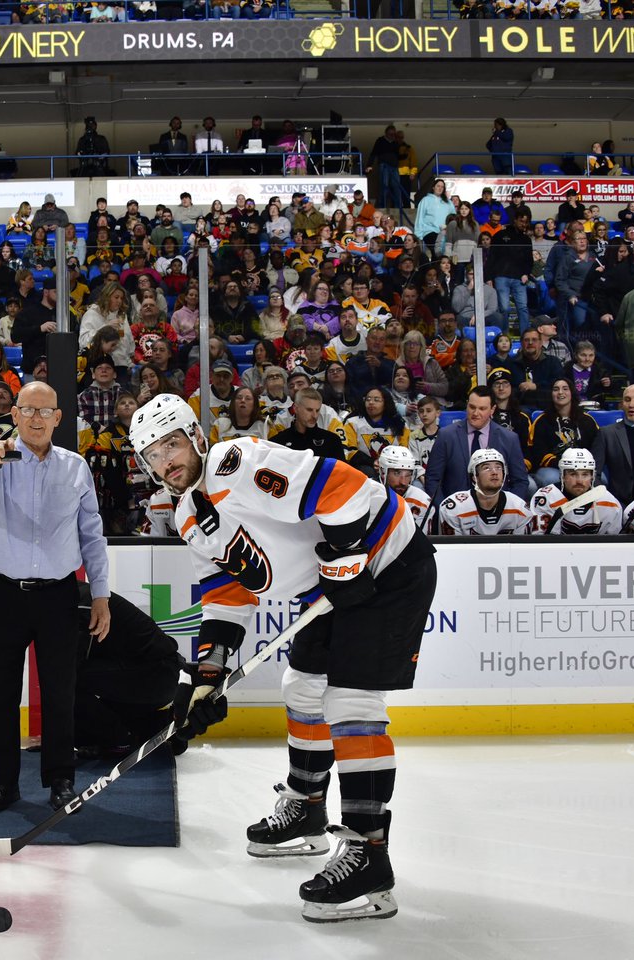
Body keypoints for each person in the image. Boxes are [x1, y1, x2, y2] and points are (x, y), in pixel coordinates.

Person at [127, 393, 436, 924]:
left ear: (196, 437)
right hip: (335, 585)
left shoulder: (238, 463)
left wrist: (346, 560)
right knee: (302, 687)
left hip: (390, 563)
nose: (167, 461)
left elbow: (343, 488)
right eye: (153, 455)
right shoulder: (185, 515)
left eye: (173, 444)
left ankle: (369, 854)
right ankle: (307, 809)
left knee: (350, 699)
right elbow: (228, 592)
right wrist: (208, 675)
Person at [0, 380, 111, 814]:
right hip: (3, 594)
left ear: (58, 418)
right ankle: (3, 783)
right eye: (27, 410)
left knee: (61, 691)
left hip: (59, 596)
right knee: (2, 693)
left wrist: (100, 594)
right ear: (14, 414)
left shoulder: (75, 467)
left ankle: (61, 780)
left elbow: (92, 534)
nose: (35, 419)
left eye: (45, 411)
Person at [72, 584, 184, 757]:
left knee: (66, 680)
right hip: (149, 675)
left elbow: (69, 673)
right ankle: (162, 724)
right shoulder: (77, 595)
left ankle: (119, 740)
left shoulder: (80, 602)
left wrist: (57, 742)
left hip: (156, 673)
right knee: (81, 733)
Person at [424, 386, 529, 501]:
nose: (475, 413)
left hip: (497, 510)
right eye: (472, 407)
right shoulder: (446, 435)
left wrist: (508, 510)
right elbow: (432, 478)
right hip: (456, 511)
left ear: (492, 410)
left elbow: (520, 481)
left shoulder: (509, 439)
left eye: (482, 408)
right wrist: (443, 510)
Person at [527, 447, 621, 535]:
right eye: (573, 474)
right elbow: (543, 544)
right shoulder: (546, 498)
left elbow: (614, 546)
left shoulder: (609, 502)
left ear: (592, 476)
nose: (579, 481)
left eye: (585, 475)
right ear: (562, 476)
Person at [438, 448, 530, 535]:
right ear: (474, 476)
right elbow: (453, 549)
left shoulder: (519, 507)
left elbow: (522, 550)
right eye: (486, 468)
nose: (494, 472)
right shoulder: (454, 507)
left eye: (498, 467)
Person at [593, 384, 634, 506]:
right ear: (622, 404)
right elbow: (593, 473)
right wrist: (607, 499)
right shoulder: (607, 433)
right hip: (621, 503)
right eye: (627, 400)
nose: (631, 404)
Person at [377, 444, 433, 531]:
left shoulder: (422, 502)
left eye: (408, 475)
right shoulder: (365, 493)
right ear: (382, 471)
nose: (403, 482)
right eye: (397, 473)